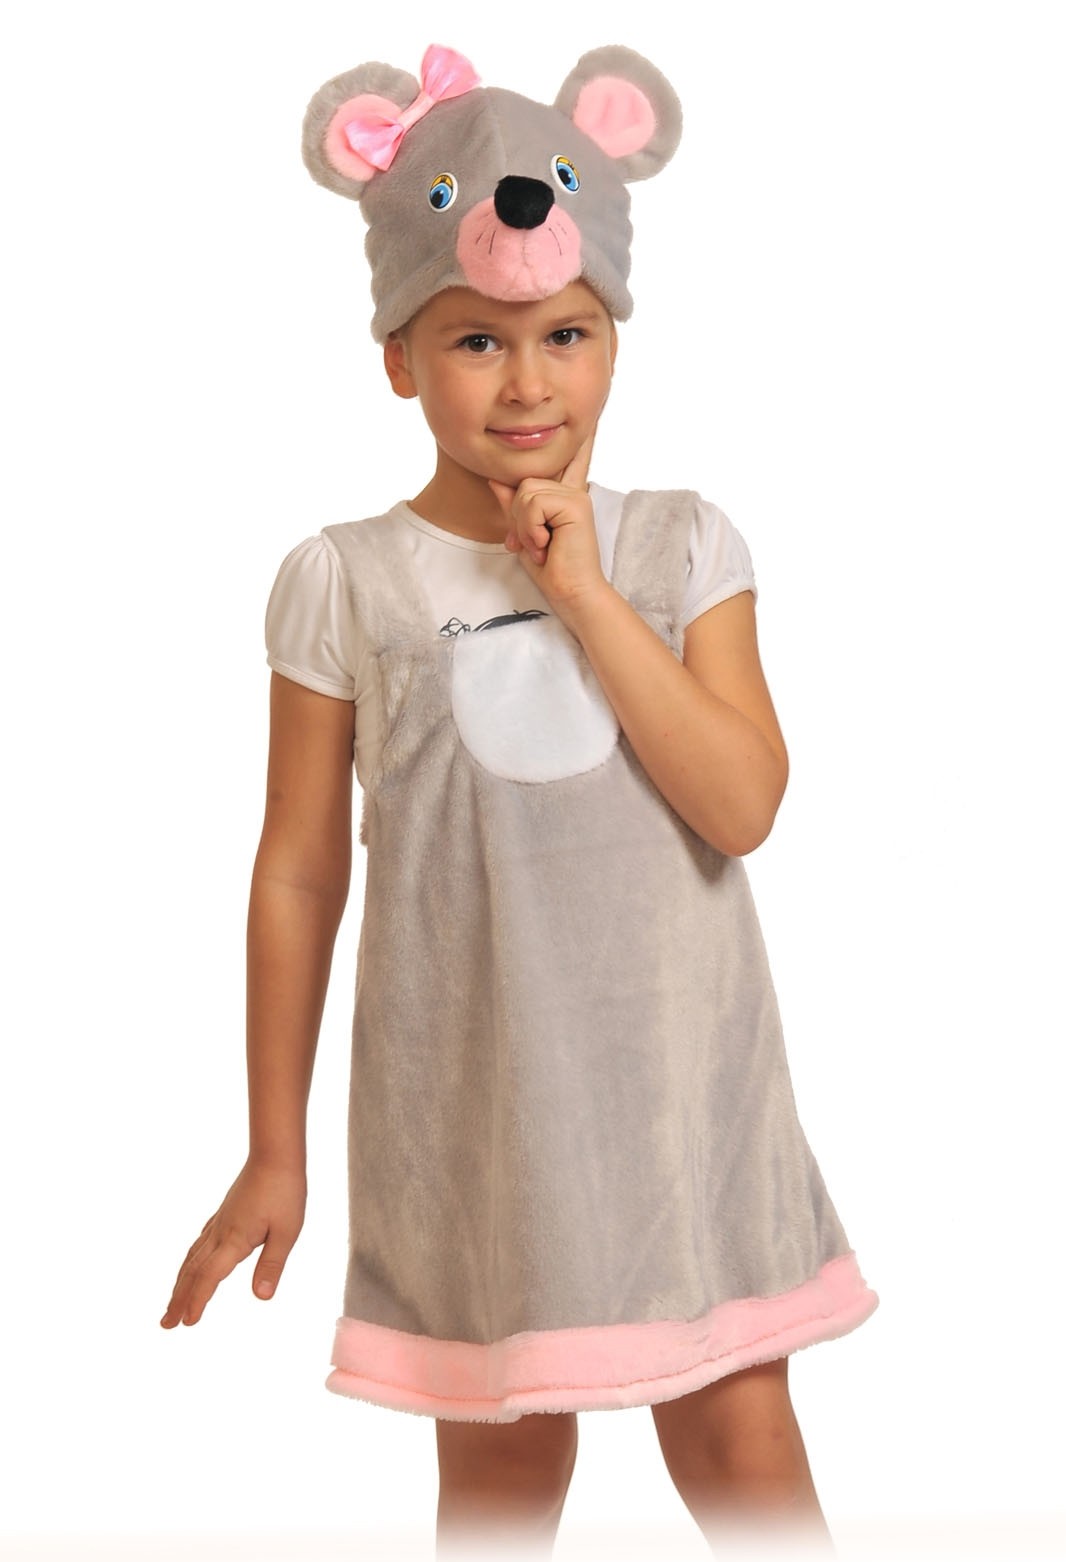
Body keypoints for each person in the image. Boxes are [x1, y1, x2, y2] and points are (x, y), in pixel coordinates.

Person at [161, 42, 879, 1560]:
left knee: (738, 1431)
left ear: (613, 336)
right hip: (473, 1111)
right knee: (500, 1469)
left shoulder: (681, 548)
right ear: (399, 358)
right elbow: (298, 870)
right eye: (476, 341)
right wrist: (275, 1144)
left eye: (565, 334)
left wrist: (586, 594)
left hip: (685, 1108)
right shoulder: (347, 580)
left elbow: (742, 804)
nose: (529, 382)